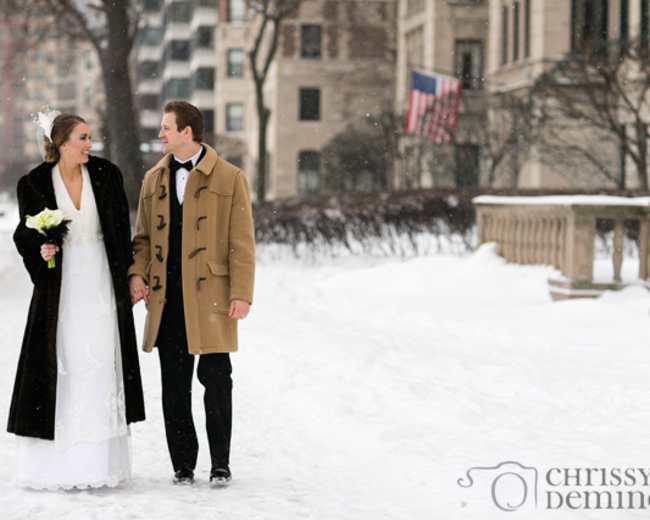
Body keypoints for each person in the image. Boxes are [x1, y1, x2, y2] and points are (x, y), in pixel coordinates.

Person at [8, 113, 146, 489]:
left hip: (102, 279)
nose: (90, 143)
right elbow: (25, 235)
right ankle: (59, 464)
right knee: (62, 361)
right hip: (60, 289)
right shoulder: (33, 183)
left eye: (90, 137)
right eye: (83, 137)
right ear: (62, 141)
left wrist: (132, 274)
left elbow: (123, 230)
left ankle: (98, 463)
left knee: (100, 360)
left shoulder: (107, 174)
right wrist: (43, 247)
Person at [128, 101, 255, 486]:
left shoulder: (231, 177)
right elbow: (143, 238)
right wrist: (137, 274)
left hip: (214, 294)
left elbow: (242, 242)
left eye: (167, 128)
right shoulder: (153, 178)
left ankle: (220, 463)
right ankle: (182, 464)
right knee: (174, 383)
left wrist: (242, 293)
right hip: (167, 296)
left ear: (187, 132)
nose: (161, 134)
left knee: (217, 379)